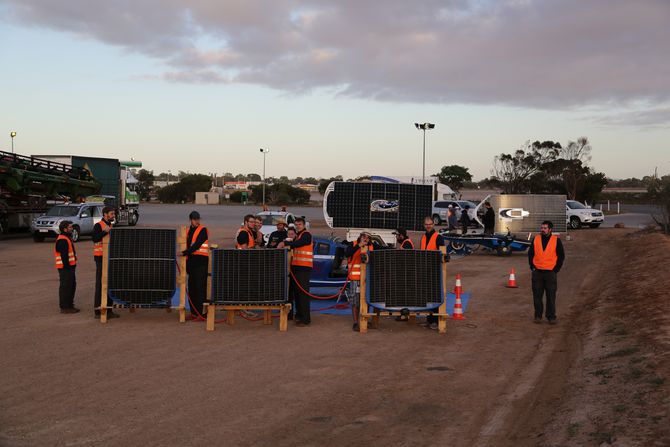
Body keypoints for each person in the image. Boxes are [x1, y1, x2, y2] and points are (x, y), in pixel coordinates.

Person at [528, 220, 565, 324]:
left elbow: (561, 256)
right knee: (537, 296)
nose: (542, 230)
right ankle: (538, 316)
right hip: (537, 273)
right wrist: (532, 267)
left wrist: (556, 270)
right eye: (542, 228)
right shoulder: (536, 239)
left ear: (550, 229)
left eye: (545, 228)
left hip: (550, 273)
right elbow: (530, 254)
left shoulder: (556, 240)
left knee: (551, 296)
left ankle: (551, 317)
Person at [91, 206, 119, 319]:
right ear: (105, 214)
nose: (113, 216)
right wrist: (104, 232)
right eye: (112, 214)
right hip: (100, 258)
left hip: (110, 258)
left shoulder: (111, 225)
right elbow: (94, 238)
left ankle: (109, 309)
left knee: (110, 284)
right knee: (100, 284)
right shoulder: (99, 225)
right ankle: (98, 311)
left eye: (114, 214)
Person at [182, 211, 209, 319]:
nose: (197, 221)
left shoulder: (203, 230)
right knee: (192, 288)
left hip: (201, 263)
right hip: (192, 264)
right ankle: (194, 313)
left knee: (200, 289)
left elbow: (197, 245)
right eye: (195, 219)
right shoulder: (188, 231)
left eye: (198, 219)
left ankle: (201, 314)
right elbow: (187, 245)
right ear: (190, 219)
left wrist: (184, 252)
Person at [420, 216, 446, 330]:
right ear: (424, 225)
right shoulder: (423, 237)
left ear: (433, 224)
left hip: (435, 271)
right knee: (427, 297)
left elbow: (443, 253)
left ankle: (435, 320)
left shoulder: (438, 237)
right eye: (426, 224)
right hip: (425, 271)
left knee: (434, 296)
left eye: (430, 224)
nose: (428, 226)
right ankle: (429, 319)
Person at [286, 217, 313, 326]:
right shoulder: (298, 236)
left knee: (303, 295)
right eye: (296, 224)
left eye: (299, 224)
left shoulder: (306, 235)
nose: (297, 226)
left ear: (304, 225)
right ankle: (299, 315)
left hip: (304, 269)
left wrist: (286, 243)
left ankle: (305, 319)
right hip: (296, 268)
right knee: (296, 294)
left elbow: (299, 244)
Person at [345, 232, 374, 331]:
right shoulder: (352, 244)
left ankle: (365, 320)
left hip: (367, 279)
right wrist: (358, 245)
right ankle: (355, 323)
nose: (365, 239)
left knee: (367, 301)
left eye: (368, 238)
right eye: (364, 237)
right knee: (355, 302)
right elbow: (347, 253)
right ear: (360, 237)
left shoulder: (371, 247)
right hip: (355, 279)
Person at [55, 220, 79, 314]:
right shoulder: (62, 239)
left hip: (69, 267)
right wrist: (68, 267)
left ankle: (69, 305)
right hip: (65, 268)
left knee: (71, 286)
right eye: (70, 227)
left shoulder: (66, 238)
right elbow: (64, 256)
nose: (72, 228)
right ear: (65, 229)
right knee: (66, 287)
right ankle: (65, 307)